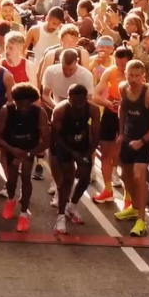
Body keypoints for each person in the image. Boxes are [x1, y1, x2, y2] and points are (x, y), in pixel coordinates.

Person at [116, 59, 149, 237]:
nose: (133, 79)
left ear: (143, 76)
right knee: (125, 175)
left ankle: (141, 220)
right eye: (130, 75)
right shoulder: (123, 87)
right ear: (125, 74)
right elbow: (122, 108)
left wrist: (142, 141)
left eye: (137, 76)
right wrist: (121, 133)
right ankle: (135, 207)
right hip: (128, 137)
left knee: (139, 176)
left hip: (144, 139)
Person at [0, 82, 48, 233]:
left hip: (29, 148)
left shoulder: (39, 112)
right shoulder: (6, 110)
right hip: (12, 146)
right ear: (14, 101)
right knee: (11, 179)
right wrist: (11, 149)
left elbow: (47, 140)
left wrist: (28, 154)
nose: (23, 108)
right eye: (19, 104)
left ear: (32, 102)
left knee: (26, 176)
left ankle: (24, 214)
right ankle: (11, 199)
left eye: (27, 105)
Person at [50, 84, 100, 234]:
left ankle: (72, 206)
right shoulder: (60, 110)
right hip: (64, 144)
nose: (78, 105)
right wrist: (74, 155)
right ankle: (60, 217)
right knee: (67, 180)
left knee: (85, 178)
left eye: (81, 101)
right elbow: (56, 137)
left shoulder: (93, 109)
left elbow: (96, 136)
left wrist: (85, 156)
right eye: (74, 101)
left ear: (86, 99)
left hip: (82, 145)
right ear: (68, 98)